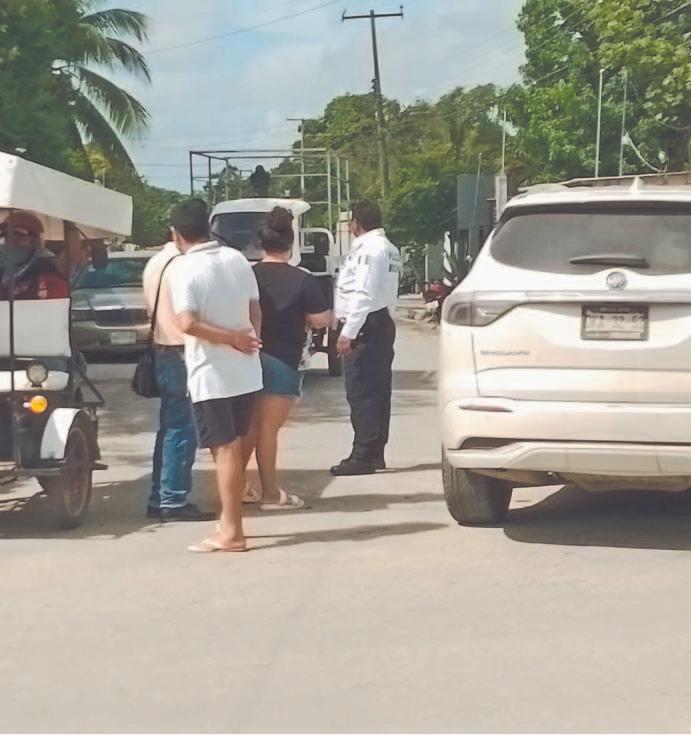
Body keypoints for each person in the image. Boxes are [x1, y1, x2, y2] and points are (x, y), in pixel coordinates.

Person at [169, 199, 263, 553]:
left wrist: (232, 339)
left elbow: (187, 322)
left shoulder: (184, 268)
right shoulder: (237, 259)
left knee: (224, 451)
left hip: (212, 373)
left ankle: (233, 532)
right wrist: (250, 339)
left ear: (176, 234)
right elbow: (255, 308)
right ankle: (229, 521)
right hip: (246, 371)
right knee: (233, 448)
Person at [243, 207, 331, 509]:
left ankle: (238, 485)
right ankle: (270, 493)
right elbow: (321, 319)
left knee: (248, 426)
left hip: (247, 356)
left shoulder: (248, 275)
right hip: (283, 359)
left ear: (261, 243)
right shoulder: (302, 279)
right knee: (268, 429)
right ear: (291, 243)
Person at [142, 238, 212, 522]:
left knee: (169, 428)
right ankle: (173, 499)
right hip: (182, 351)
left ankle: (159, 497)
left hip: (162, 350)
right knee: (183, 429)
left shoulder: (156, 262)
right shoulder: (184, 265)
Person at [331, 199, 401, 476]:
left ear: (356, 223)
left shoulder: (370, 250)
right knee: (378, 391)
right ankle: (374, 452)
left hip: (365, 324)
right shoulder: (387, 248)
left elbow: (364, 293)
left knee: (361, 392)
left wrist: (347, 333)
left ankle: (362, 455)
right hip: (378, 321)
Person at [0, 212, 68, 300]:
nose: (11, 241)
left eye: (19, 235)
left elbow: (70, 261)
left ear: (37, 241)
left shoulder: (50, 265)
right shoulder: (4, 268)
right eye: (7, 235)